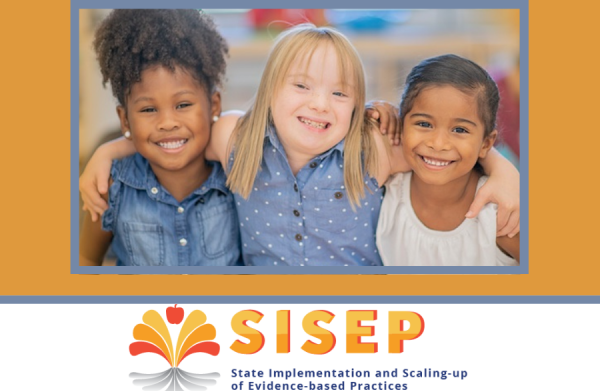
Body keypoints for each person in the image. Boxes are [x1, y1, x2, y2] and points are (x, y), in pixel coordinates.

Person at [81, 24, 520, 267]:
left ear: (357, 105)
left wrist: (505, 171)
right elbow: (175, 135)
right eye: (302, 85)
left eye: (339, 93)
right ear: (271, 89)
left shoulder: (372, 148)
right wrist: (107, 152)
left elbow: (442, 149)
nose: (319, 104)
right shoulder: (234, 138)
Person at [79, 9, 242, 266]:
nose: (167, 123)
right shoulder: (111, 189)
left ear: (214, 106)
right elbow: (85, 259)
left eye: (183, 105)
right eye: (148, 109)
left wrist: (107, 150)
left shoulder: (237, 181)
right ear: (125, 120)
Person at [376, 54, 519, 266]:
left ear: (486, 144)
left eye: (459, 129)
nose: (438, 143)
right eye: (424, 124)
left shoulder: (501, 215)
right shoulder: (385, 191)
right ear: (401, 124)